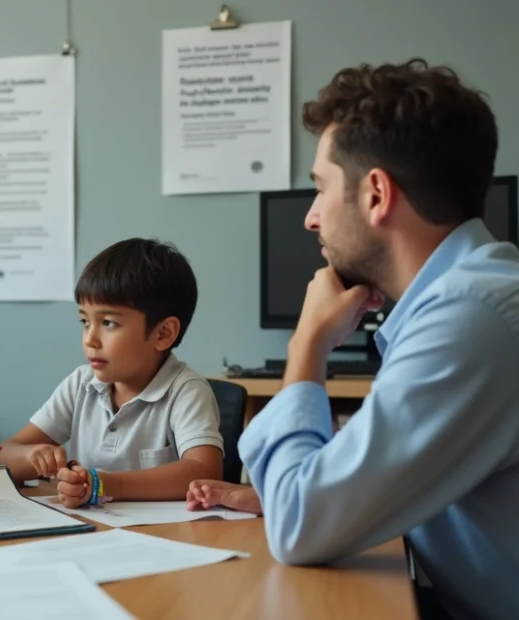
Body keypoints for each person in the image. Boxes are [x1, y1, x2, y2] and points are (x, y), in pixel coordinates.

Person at [187, 59, 519, 620]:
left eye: (320, 188)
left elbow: (299, 526)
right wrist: (297, 491)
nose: (311, 218)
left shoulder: (472, 318)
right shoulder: (470, 298)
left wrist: (307, 344)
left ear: (376, 195)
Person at [0, 238, 224, 508]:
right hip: (89, 526)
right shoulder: (81, 383)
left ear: (163, 333)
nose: (89, 339)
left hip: (160, 531)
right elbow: (2, 456)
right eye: (84, 321)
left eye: (108, 323)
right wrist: (31, 456)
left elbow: (205, 471)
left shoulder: (186, 391)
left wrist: (104, 484)